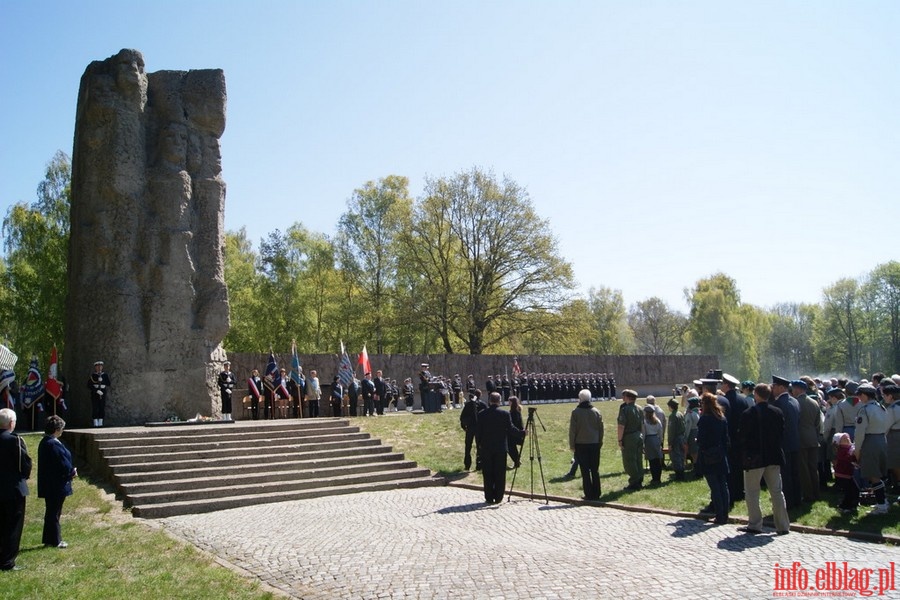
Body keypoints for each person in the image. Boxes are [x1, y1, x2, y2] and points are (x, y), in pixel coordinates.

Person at [738, 383, 790, 535]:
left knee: (752, 492)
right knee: (777, 491)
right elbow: (782, 433)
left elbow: (742, 436)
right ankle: (782, 525)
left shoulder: (748, 413)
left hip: (754, 458)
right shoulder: (777, 412)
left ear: (756, 395)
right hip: (773, 455)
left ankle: (755, 524)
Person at [475, 392, 524, 504]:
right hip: (500, 448)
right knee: (500, 473)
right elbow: (511, 429)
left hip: (486, 448)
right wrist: (521, 433)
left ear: (489, 401)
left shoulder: (482, 414)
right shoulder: (504, 414)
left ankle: (488, 496)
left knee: (487, 473)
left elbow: (478, 433)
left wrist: (479, 446)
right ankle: (498, 497)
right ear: (499, 401)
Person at [38, 415, 76, 548]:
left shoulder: (46, 442)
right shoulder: (52, 444)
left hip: (51, 483)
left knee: (52, 512)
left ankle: (50, 539)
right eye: (61, 428)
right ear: (56, 429)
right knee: (54, 513)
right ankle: (55, 540)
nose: (62, 431)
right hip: (55, 484)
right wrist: (72, 472)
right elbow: (62, 463)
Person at [0, 408, 31, 570]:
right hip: (13, 489)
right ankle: (7, 561)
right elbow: (23, 464)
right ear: (11, 423)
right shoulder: (14, 440)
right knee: (13, 526)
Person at [853, 384, 890, 514]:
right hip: (882, 439)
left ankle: (881, 505)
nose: (858, 398)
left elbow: (859, 433)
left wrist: (857, 450)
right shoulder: (881, 407)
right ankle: (883, 501)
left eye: (859, 395)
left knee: (873, 475)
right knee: (879, 473)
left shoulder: (865, 410)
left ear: (864, 395)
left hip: (870, 441)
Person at [697, 392, 730, 525]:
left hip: (709, 455)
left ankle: (719, 515)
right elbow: (726, 438)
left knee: (715, 487)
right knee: (723, 485)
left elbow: (701, 440)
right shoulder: (721, 417)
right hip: (721, 453)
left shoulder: (705, 419)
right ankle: (724, 514)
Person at [569, 389, 604, 500]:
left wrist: (572, 444)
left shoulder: (575, 412)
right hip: (594, 443)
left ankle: (588, 493)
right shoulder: (596, 411)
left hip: (581, 444)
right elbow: (601, 429)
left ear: (580, 399)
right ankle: (597, 492)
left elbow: (572, 431)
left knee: (584, 470)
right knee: (595, 469)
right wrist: (600, 441)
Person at [792, 379, 823, 502]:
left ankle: (808, 495)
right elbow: (817, 422)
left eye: (793, 389)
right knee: (813, 468)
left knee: (803, 469)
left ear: (798, 389)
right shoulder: (814, 402)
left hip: (801, 438)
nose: (792, 391)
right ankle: (816, 492)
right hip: (813, 438)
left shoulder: (796, 403)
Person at [617, 389, 643, 491]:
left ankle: (634, 482)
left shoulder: (625, 410)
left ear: (627, 397)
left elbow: (621, 426)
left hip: (629, 437)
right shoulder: (639, 409)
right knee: (638, 459)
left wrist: (619, 440)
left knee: (629, 460)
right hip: (638, 435)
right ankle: (639, 479)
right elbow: (642, 425)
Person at [832, 432, 859, 514]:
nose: (847, 439)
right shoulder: (841, 450)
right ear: (839, 442)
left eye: (848, 437)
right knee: (849, 491)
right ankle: (844, 506)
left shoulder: (849, 448)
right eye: (844, 439)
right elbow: (847, 458)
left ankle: (853, 505)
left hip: (848, 475)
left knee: (856, 489)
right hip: (842, 475)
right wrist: (852, 454)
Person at [460, 389, 486, 470]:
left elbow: (462, 417)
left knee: (468, 446)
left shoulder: (468, 404)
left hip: (470, 427)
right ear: (480, 395)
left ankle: (467, 464)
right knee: (480, 446)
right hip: (479, 428)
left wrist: (464, 426)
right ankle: (479, 464)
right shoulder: (482, 404)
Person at [642, 405, 664, 485]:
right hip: (656, 439)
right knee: (658, 460)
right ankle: (658, 478)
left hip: (649, 440)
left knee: (652, 460)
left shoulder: (644, 422)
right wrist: (660, 441)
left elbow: (644, 433)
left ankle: (654, 478)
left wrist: (643, 444)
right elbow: (660, 431)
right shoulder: (657, 420)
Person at [666, 399, 686, 481]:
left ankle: (679, 474)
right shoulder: (680, 414)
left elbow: (671, 430)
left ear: (671, 407)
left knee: (675, 456)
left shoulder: (672, 416)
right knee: (681, 455)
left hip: (675, 438)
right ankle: (682, 471)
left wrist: (670, 443)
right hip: (681, 437)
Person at [88, 360, 111, 427]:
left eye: (100, 366)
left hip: (103, 392)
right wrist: (96, 390)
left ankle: (101, 421)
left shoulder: (105, 375)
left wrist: (102, 380)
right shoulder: (93, 375)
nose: (99, 368)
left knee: (102, 406)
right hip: (95, 392)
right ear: (95, 367)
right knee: (95, 406)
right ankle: (95, 422)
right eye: (98, 367)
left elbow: (108, 383)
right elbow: (89, 385)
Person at [508, 396, 524, 468]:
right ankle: (517, 461)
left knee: (510, 447)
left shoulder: (515, 412)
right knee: (511, 447)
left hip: (516, 434)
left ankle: (516, 461)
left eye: (509, 401)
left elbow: (514, 424)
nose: (508, 403)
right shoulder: (513, 411)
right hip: (514, 433)